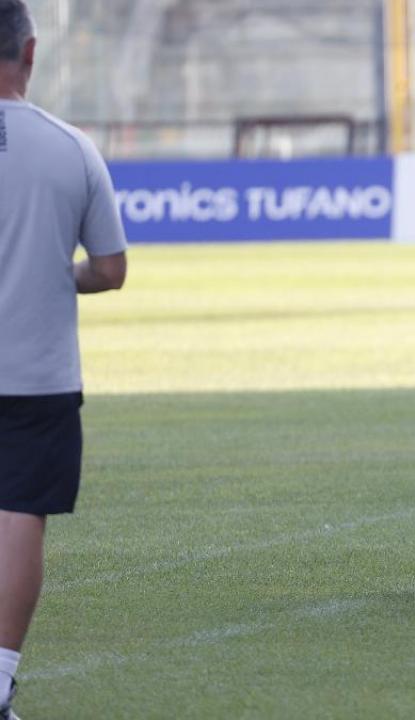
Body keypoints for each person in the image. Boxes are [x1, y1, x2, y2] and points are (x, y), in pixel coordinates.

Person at [0, 2, 128, 717]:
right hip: (36, 372)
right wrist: (57, 272)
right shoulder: (72, 146)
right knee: (19, 516)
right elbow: (109, 269)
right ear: (30, 51)